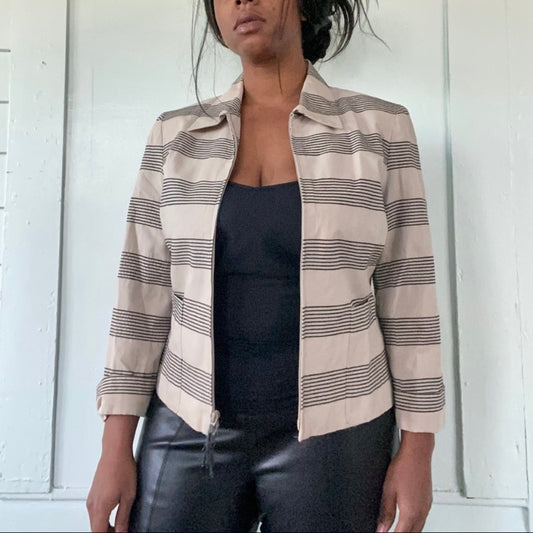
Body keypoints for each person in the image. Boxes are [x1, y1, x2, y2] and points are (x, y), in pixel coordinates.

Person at [86, 0, 446, 532]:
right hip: (187, 421)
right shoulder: (174, 136)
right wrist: (114, 447)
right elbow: (141, 295)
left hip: (339, 432)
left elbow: (408, 294)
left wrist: (418, 451)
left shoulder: (379, 130)